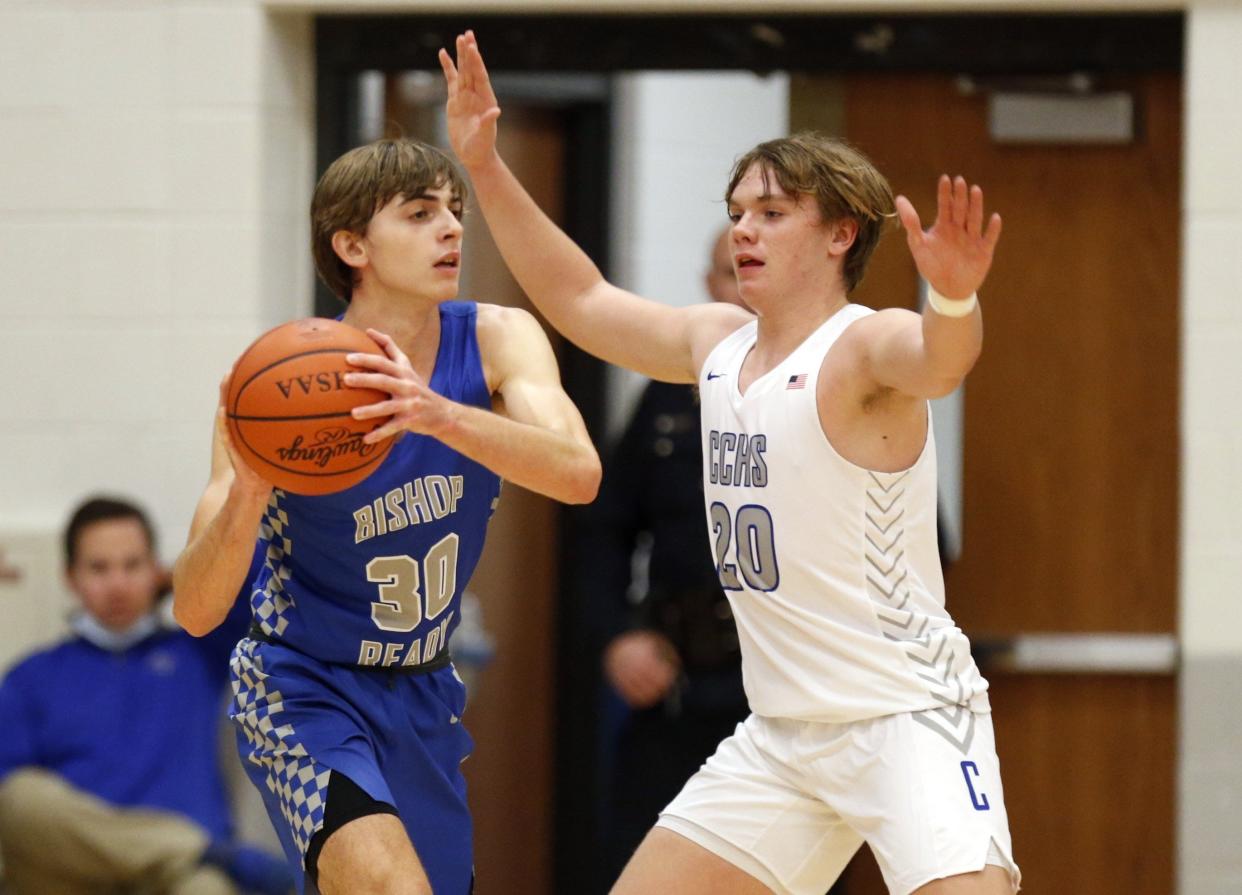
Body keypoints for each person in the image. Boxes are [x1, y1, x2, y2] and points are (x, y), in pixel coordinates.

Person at [441, 32, 1019, 895]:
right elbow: (581, 299)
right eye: (738, 209)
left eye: (772, 212)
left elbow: (940, 358)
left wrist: (956, 294)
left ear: (840, 235)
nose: (743, 227)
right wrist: (485, 166)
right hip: (784, 733)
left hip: (908, 718)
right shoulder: (716, 343)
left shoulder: (861, 348)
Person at [171, 138, 600, 895]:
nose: (452, 229)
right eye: (420, 212)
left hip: (424, 688)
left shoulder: (496, 340)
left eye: (455, 211)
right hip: (303, 685)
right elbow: (198, 609)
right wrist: (247, 492)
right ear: (352, 244)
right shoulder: (276, 391)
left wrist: (438, 416)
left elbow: (578, 474)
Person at [0, 496, 291, 895]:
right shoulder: (30, 677)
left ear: (154, 571)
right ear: (70, 578)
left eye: (132, 565)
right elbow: (12, 809)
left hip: (176, 880)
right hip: (69, 873)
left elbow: (266, 575)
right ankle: (209, 852)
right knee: (20, 797)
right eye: (99, 568)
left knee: (207, 889)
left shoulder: (198, 652)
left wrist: (187, 574)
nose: (117, 584)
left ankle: (197, 858)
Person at [586, 226, 752, 884]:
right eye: (727, 272)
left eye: (753, 270)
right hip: (678, 684)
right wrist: (620, 635)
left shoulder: (832, 383)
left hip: (786, 694)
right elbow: (604, 529)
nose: (741, 287)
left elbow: (910, 550)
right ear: (708, 288)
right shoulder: (664, 398)